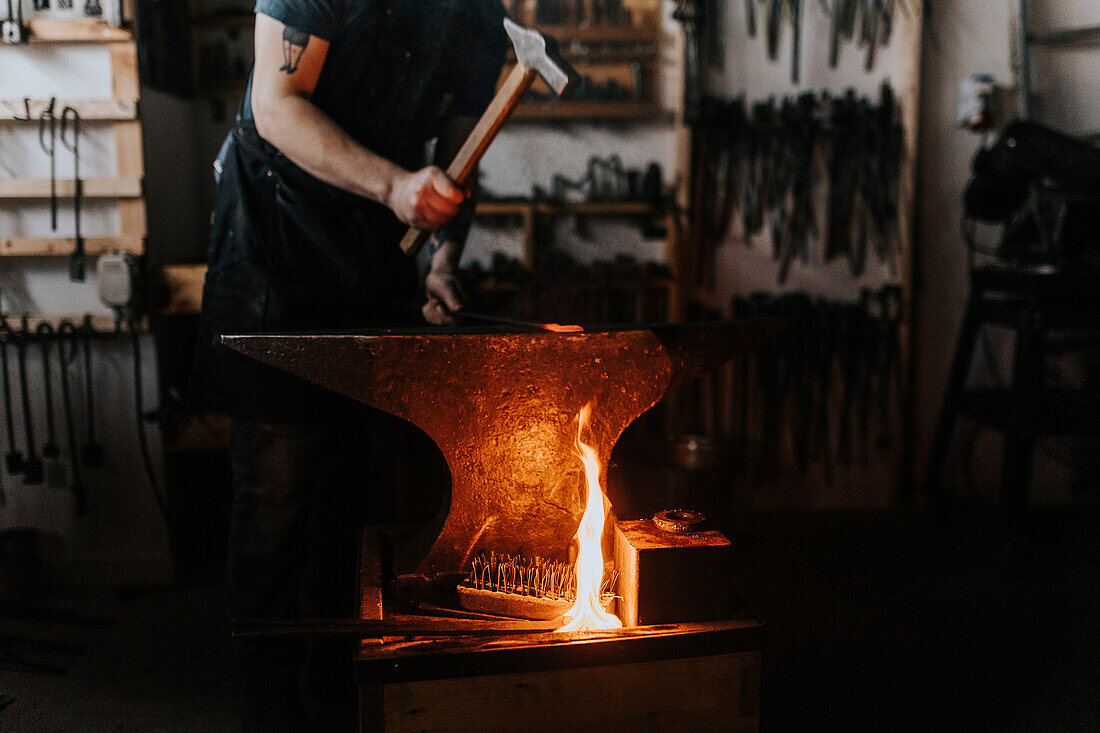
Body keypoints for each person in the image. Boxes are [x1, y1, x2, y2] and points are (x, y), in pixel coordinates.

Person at [193, 0, 508, 727]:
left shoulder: (479, 16)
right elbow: (275, 105)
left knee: (352, 496)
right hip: (276, 243)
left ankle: (344, 689)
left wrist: (441, 261)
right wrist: (395, 187)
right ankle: (268, 703)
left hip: (372, 255)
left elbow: (460, 162)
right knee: (277, 498)